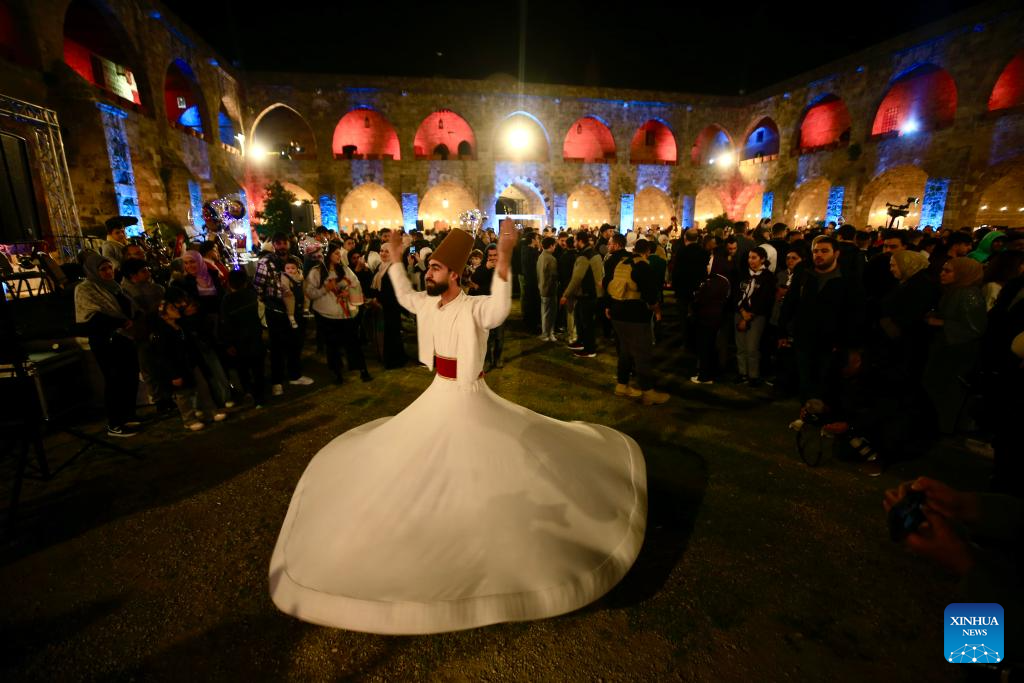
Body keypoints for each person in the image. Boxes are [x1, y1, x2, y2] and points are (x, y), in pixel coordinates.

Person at [269, 221, 647, 634]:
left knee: (481, 464)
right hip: (437, 394)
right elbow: (406, 296)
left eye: (434, 268)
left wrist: (504, 258)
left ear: (453, 274)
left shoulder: (474, 307)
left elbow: (499, 310)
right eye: (429, 267)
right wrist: (395, 262)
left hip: (470, 395)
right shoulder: (429, 303)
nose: (428, 274)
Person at [74, 252, 141, 437]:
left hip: (124, 337)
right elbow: (89, 315)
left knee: (130, 376)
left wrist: (131, 318)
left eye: (109, 267)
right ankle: (115, 423)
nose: (108, 272)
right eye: (103, 269)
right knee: (114, 380)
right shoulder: (85, 289)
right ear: (93, 271)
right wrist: (120, 322)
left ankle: (128, 415)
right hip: (105, 340)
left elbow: (128, 306)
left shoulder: (115, 286)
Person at [923, 257, 987, 434]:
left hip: (957, 353)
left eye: (948, 271)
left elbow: (975, 328)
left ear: (963, 274)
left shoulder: (968, 294)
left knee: (948, 390)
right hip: (947, 348)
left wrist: (941, 323)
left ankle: (941, 427)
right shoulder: (955, 291)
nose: (942, 274)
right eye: (943, 269)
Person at [606, 239, 668, 405]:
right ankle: (648, 392)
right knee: (642, 353)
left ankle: (622, 385)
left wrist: (608, 305)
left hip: (617, 312)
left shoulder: (622, 263)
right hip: (635, 315)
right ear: (647, 252)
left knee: (625, 350)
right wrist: (656, 310)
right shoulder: (642, 266)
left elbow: (608, 283)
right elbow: (650, 294)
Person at [253, 233, 313, 395]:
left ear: (289, 243)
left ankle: (295, 375)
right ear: (273, 245)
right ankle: (277, 381)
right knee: (277, 347)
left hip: (296, 309)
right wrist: (269, 302)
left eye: (284, 243)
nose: (281, 246)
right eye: (278, 243)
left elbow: (301, 280)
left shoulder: (296, 260)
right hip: (277, 310)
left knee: (296, 344)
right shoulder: (265, 262)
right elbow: (258, 286)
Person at [306, 242, 371, 383]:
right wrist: (326, 289)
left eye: (339, 253)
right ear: (327, 254)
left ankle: (361, 369)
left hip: (345, 314)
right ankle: (337, 372)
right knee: (332, 346)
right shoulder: (316, 272)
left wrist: (348, 292)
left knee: (353, 342)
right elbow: (310, 293)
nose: (339, 255)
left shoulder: (345, 269)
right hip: (326, 315)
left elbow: (356, 284)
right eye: (336, 253)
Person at [220, 269, 266, 407]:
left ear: (229, 283)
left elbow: (226, 323)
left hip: (238, 341)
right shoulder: (252, 295)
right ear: (245, 282)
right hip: (255, 336)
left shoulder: (227, 300)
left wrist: (228, 343)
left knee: (243, 369)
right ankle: (260, 396)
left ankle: (248, 392)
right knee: (258, 368)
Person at [733, 246, 776, 386]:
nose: (750, 260)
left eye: (754, 257)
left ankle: (753, 375)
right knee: (740, 346)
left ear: (762, 259)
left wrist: (749, 316)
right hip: (740, 312)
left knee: (752, 347)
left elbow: (765, 299)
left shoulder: (768, 277)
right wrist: (742, 312)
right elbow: (736, 294)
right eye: (749, 257)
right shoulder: (743, 274)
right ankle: (742, 373)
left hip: (757, 316)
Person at [561, 232, 604, 358]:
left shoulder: (584, 256)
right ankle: (581, 342)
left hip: (586, 293)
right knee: (581, 320)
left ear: (580, 241)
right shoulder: (595, 253)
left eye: (575, 241)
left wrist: (565, 294)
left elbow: (577, 278)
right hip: (594, 293)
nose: (574, 244)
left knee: (586, 323)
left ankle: (590, 349)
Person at [536, 236, 559, 341]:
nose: (555, 247)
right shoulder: (551, 259)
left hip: (542, 288)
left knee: (544, 312)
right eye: (554, 245)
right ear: (551, 246)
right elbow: (553, 276)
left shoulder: (540, 256)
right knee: (551, 313)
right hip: (550, 290)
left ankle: (545, 333)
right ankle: (549, 333)